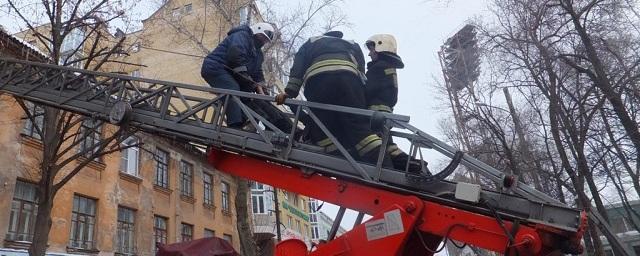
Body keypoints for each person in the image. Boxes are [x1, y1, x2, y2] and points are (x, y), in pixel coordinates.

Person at [275, 31, 389, 165]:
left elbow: (298, 67)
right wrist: (359, 99)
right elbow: (361, 72)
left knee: (323, 127)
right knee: (359, 127)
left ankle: (341, 160)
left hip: (319, 83)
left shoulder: (312, 41)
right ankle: (384, 164)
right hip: (349, 81)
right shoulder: (352, 44)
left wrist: (290, 92)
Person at [201, 22, 293, 133]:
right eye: (263, 37)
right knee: (232, 89)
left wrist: (262, 90)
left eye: (266, 40)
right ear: (256, 31)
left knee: (248, 97)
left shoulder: (258, 54)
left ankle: (250, 123)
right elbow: (235, 55)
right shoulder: (242, 36)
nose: (263, 41)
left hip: (231, 73)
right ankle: (235, 124)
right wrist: (245, 77)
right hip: (215, 67)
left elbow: (257, 73)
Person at [364, 34, 430, 174]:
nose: (369, 54)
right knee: (388, 148)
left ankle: (416, 167)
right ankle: (416, 166)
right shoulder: (388, 67)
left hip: (376, 117)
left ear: (381, 46)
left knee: (384, 148)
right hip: (383, 115)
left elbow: (365, 89)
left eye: (372, 49)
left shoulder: (378, 68)